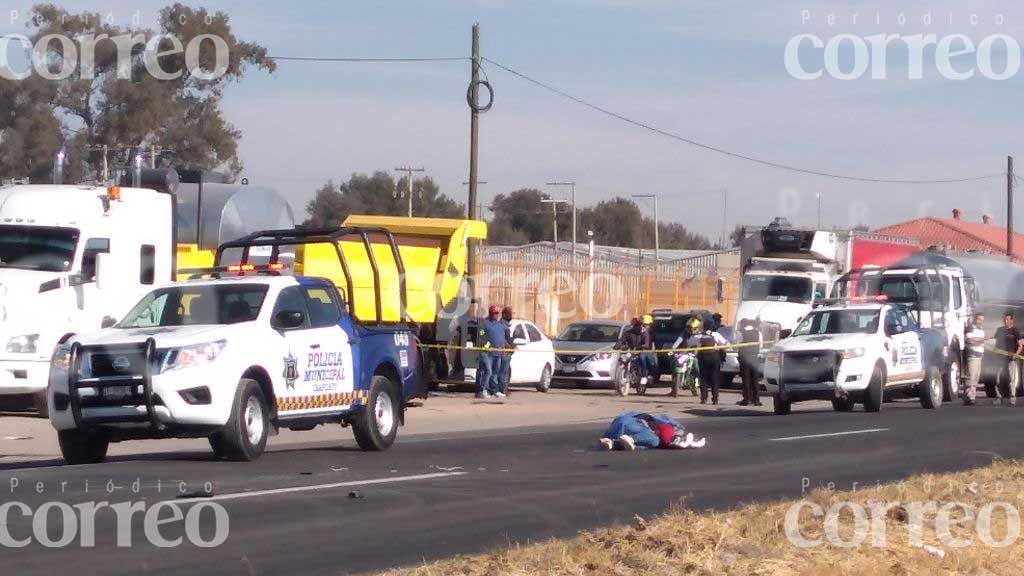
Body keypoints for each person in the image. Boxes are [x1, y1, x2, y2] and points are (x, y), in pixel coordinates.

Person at [597, 412, 706, 451]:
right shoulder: (671, 426)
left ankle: (613, 443)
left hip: (616, 427)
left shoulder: (664, 421)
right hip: (632, 424)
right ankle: (627, 440)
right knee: (654, 441)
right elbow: (664, 437)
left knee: (645, 446)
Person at [687, 317, 728, 405]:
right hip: (714, 357)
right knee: (714, 378)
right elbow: (725, 343)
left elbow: (689, 343)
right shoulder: (716, 334)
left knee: (703, 379)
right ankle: (715, 399)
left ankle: (704, 398)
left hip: (703, 358)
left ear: (703, 327)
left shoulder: (698, 336)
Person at [475, 305, 507, 399]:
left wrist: (503, 350)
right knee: (488, 371)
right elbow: (481, 335)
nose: (495, 315)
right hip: (487, 353)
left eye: (497, 313)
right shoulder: (484, 323)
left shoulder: (500, 325)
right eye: (494, 313)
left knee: (495, 373)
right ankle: (483, 390)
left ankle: (494, 390)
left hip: (498, 353)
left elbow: (502, 338)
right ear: (490, 313)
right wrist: (484, 343)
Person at [615, 316, 657, 385]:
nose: (637, 327)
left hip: (641, 351)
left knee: (642, 358)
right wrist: (617, 345)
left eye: (639, 325)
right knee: (623, 358)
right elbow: (621, 340)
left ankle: (643, 376)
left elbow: (646, 344)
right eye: (635, 325)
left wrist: (641, 346)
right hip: (631, 352)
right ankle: (623, 374)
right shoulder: (628, 333)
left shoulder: (644, 333)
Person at [993, 312, 1022, 407]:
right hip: (1001, 359)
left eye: (1007, 319)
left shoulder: (1015, 331)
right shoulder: (999, 330)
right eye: (1004, 319)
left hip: (1011, 360)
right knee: (998, 379)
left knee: (1012, 380)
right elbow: (995, 344)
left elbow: (1020, 345)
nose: (1006, 321)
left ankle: (1012, 398)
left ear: (1011, 320)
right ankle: (999, 398)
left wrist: (1016, 354)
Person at [736, 317, 763, 407]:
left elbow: (736, 344)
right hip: (755, 357)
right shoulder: (757, 332)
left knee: (746, 379)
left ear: (743, 324)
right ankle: (756, 400)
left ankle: (747, 399)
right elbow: (761, 345)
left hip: (744, 357)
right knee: (755, 380)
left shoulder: (740, 332)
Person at [964, 313, 986, 406]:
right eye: (979, 319)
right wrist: (982, 339)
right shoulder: (970, 328)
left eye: (982, 320)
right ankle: (969, 397)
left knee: (976, 378)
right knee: (971, 376)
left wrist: (981, 340)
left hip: (979, 356)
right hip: (972, 356)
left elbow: (980, 341)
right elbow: (970, 340)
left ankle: (972, 395)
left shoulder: (981, 330)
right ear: (975, 319)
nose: (981, 322)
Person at [495, 306, 515, 395]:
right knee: (503, 372)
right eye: (509, 314)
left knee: (505, 371)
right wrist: (510, 347)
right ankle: (501, 389)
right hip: (504, 352)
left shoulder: (507, 325)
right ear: (504, 314)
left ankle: (503, 389)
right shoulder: (502, 325)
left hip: (508, 352)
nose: (511, 316)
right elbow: (503, 339)